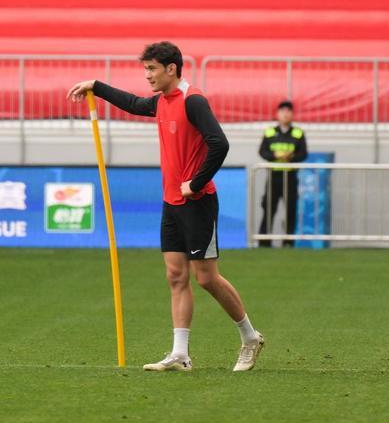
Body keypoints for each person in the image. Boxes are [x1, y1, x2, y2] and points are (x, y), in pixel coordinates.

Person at [67, 41, 264, 373]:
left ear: (171, 69)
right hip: (171, 203)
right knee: (175, 276)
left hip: (198, 202)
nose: (147, 75)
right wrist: (96, 87)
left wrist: (196, 183)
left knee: (206, 278)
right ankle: (180, 354)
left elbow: (219, 143)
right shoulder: (161, 102)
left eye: (152, 69)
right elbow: (133, 104)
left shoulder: (193, 100)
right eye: (145, 69)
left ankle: (250, 337)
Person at [257, 100, 308, 247]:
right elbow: (262, 151)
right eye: (283, 111)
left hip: (290, 176)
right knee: (269, 208)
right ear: (277, 114)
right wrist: (275, 155)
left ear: (292, 114)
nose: (286, 114)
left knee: (291, 209)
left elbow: (303, 154)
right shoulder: (269, 132)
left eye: (288, 111)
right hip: (274, 177)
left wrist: (290, 157)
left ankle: (288, 241)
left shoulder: (298, 133)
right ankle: (264, 241)